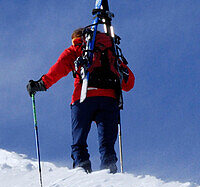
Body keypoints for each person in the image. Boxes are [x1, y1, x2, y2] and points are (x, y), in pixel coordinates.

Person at [27, 27, 134, 173]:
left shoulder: (76, 49)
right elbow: (129, 84)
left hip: (83, 99)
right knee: (107, 143)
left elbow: (59, 68)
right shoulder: (110, 50)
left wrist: (41, 84)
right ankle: (109, 172)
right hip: (109, 99)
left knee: (79, 142)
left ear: (76, 38)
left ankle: (82, 170)